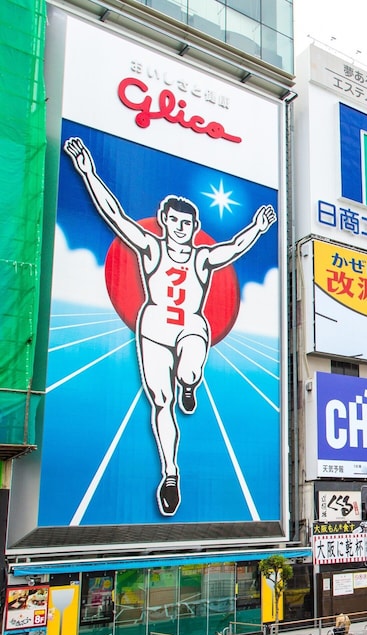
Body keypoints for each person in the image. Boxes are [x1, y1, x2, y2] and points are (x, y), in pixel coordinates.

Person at [63, 137, 276, 517]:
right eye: (174, 221)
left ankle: (190, 384)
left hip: (191, 325)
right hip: (154, 326)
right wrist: (88, 171)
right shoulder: (151, 247)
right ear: (165, 222)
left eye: (187, 223)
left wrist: (258, 228)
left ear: (195, 227)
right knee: (161, 402)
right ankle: (171, 473)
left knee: (189, 368)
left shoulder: (203, 257)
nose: (180, 228)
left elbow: (234, 247)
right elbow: (115, 216)